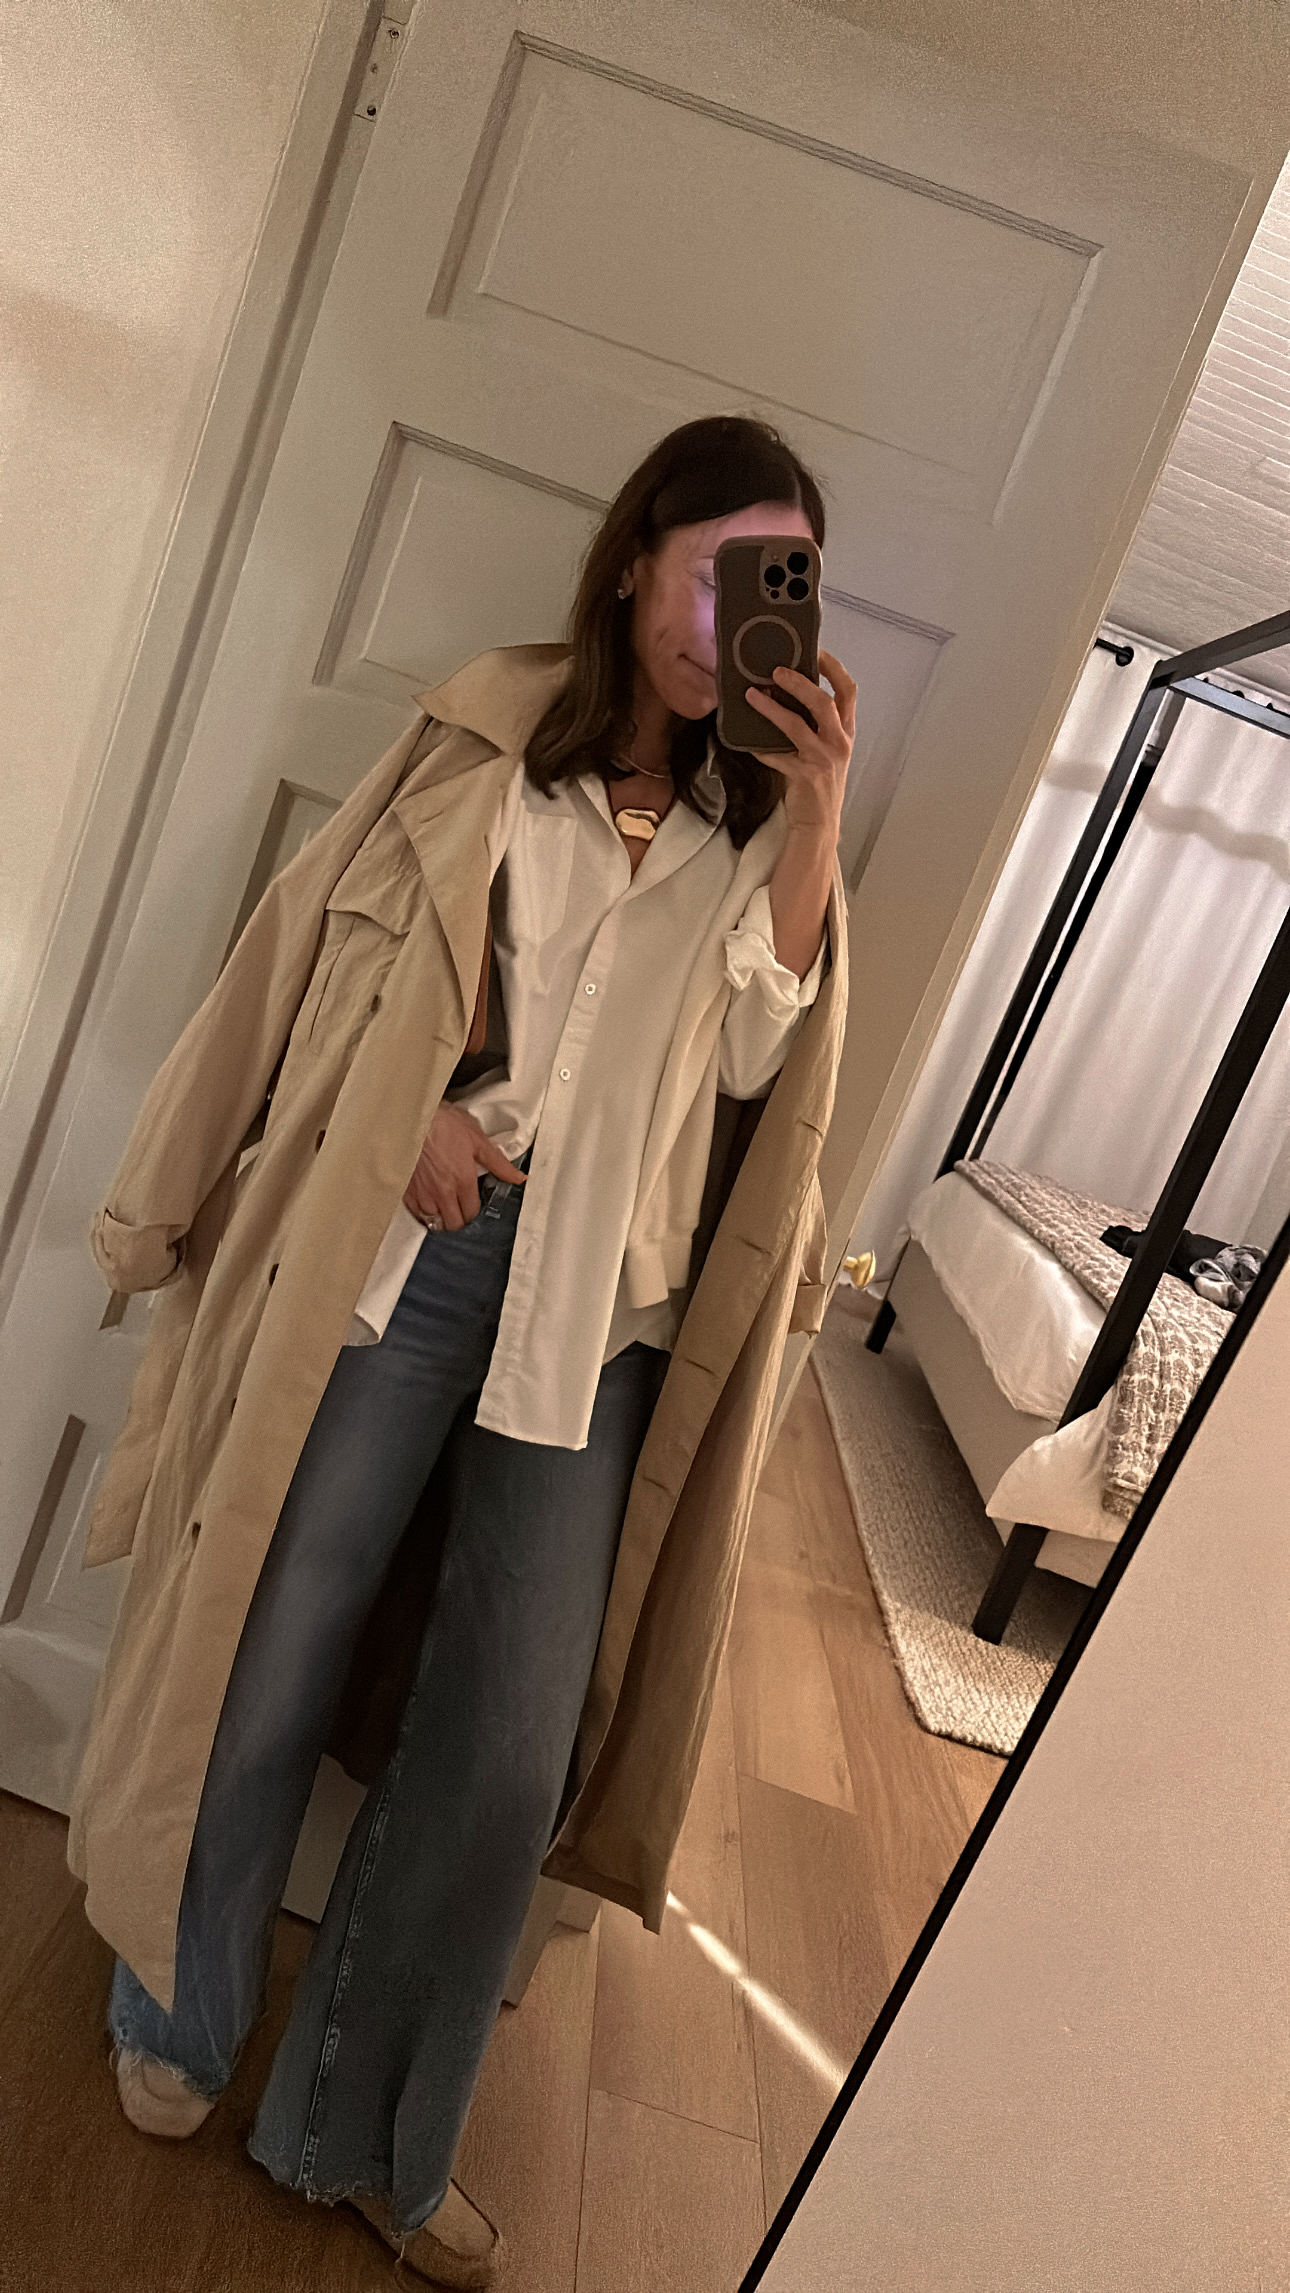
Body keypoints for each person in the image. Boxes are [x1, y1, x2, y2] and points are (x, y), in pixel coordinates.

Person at [70, 414, 853, 2286]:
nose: (731, 621)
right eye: (715, 571)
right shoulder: (483, 739)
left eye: (780, 585)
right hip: (414, 1255)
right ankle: (176, 2006)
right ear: (635, 556)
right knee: (274, 1635)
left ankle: (357, 2124)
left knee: (508, 1753)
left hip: (603, 1310)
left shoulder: (768, 823)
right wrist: (407, 1106)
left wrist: (819, 819)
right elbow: (309, 962)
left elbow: (762, 1065)